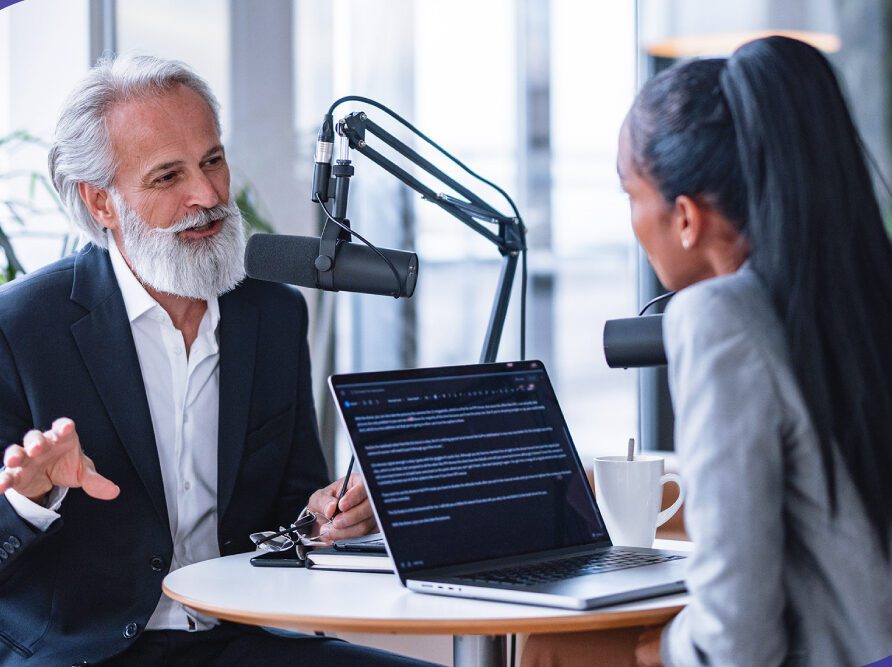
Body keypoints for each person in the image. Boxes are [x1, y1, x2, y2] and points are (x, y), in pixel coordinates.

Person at [0, 55, 434, 666]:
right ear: (101, 203)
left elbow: (293, 512)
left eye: (211, 160)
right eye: (166, 177)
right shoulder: (19, 327)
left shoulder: (273, 314)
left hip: (237, 641)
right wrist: (27, 500)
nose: (206, 195)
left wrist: (324, 518)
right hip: (85, 653)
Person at [523, 36, 892, 667]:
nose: (634, 222)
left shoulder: (718, 316)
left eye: (630, 195)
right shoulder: (854, 292)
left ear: (686, 217)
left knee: (557, 652)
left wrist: (661, 651)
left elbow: (737, 636)